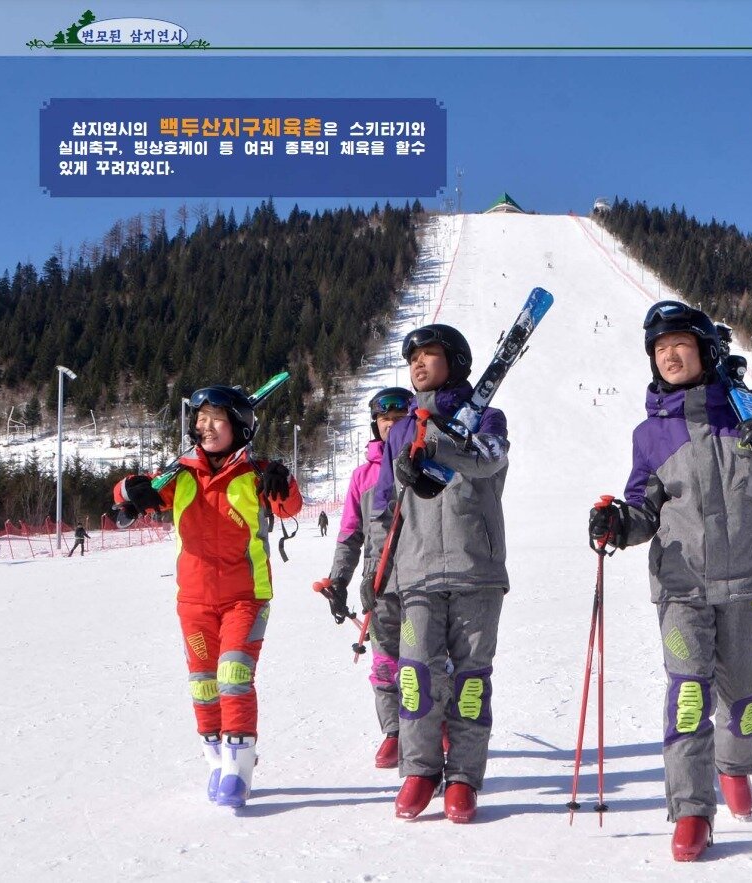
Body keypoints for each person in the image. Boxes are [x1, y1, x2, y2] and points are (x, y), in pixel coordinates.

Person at [588, 301, 752, 862]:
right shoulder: (649, 434)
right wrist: (619, 523)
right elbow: (644, 508)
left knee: (745, 698)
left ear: (705, 351)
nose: (669, 356)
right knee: (689, 694)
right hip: (681, 584)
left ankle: (734, 766)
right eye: (660, 349)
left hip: (747, 580)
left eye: (680, 345)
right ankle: (691, 810)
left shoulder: (746, 407)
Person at [113, 384, 302, 808]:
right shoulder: (180, 473)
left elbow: (289, 508)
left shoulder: (257, 472)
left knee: (233, 675)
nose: (207, 427)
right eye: (201, 420)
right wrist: (132, 490)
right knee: (203, 684)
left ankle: (238, 767)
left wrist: (284, 480)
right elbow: (127, 497)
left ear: (239, 426)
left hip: (245, 597)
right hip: (194, 601)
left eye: (217, 419)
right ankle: (216, 761)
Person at [373, 323, 509, 825]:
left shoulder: (486, 416)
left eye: (430, 354)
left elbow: (489, 459)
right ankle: (421, 770)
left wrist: (437, 451)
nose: (418, 364)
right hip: (417, 573)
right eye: (413, 358)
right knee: (415, 677)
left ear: (455, 362)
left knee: (470, 681)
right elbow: (384, 509)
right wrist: (374, 574)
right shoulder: (401, 429)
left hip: (476, 571)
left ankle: (464, 777)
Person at [315, 387, 413, 769]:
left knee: (427, 656)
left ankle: (435, 726)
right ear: (375, 424)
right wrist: (339, 580)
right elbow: (349, 534)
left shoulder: (426, 461)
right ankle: (394, 731)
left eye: (399, 418)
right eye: (385, 419)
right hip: (379, 580)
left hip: (422, 574)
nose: (391, 425)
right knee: (385, 660)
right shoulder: (363, 476)